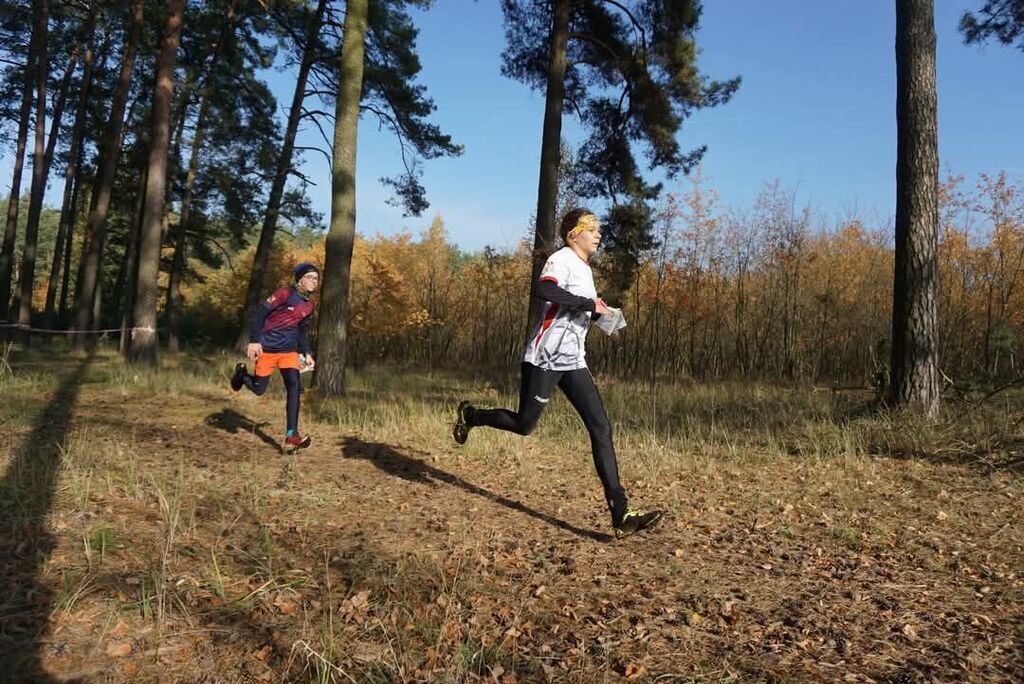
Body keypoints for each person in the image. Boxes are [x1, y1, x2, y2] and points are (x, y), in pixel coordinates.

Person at [453, 209, 663, 539]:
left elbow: (580, 309)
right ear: (573, 234)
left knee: (601, 427)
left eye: (599, 229)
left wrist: (605, 317)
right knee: (525, 425)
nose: (599, 234)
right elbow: (545, 291)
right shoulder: (562, 259)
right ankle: (472, 415)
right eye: (592, 229)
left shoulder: (584, 269)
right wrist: (587, 304)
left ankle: (620, 512)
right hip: (544, 358)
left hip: (573, 361)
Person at [231, 262, 319, 453]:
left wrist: (307, 353)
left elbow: (302, 331)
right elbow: (259, 315)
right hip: (267, 349)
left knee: (294, 387)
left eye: (316, 278)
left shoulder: (309, 305)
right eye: (310, 277)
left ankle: (291, 436)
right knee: (259, 389)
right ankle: (241, 375)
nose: (314, 281)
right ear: (300, 279)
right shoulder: (284, 294)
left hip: (289, 351)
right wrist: (254, 341)